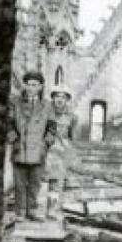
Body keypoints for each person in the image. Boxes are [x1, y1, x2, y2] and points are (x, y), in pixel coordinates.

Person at [8, 71, 53, 221]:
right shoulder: (16, 103)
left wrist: (45, 145)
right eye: (28, 84)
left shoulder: (47, 105)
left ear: (40, 87)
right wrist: (14, 140)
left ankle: (32, 210)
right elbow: (8, 124)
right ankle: (20, 212)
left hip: (38, 151)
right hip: (19, 149)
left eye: (35, 85)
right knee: (19, 183)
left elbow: (52, 128)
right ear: (25, 85)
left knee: (35, 182)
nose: (31, 88)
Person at [40, 89, 76, 222]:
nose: (60, 99)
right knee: (42, 183)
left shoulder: (71, 117)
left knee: (56, 185)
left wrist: (68, 154)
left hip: (60, 155)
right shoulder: (45, 114)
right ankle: (39, 211)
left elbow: (71, 137)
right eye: (56, 96)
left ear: (67, 100)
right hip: (46, 153)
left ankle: (52, 210)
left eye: (63, 97)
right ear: (53, 99)